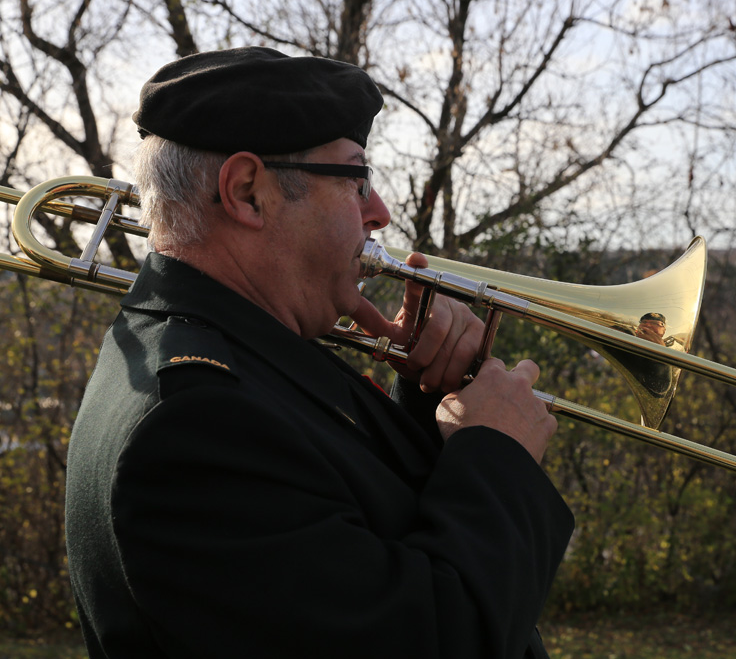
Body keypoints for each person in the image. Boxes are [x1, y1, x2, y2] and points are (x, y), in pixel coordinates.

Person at [64, 46, 574, 659]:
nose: (379, 212)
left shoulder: (244, 353)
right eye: (356, 179)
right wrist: (498, 460)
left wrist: (427, 404)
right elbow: (424, 639)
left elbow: (352, 533)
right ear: (248, 192)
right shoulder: (193, 420)